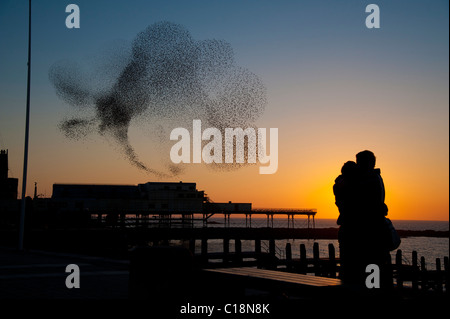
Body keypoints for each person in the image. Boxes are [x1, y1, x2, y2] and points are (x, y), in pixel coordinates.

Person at [334, 150, 391, 287]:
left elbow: (356, 199)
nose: (359, 166)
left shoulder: (368, 180)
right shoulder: (368, 179)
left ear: (369, 164)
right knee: (359, 269)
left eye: (360, 163)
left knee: (363, 269)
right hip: (362, 232)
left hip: (367, 233)